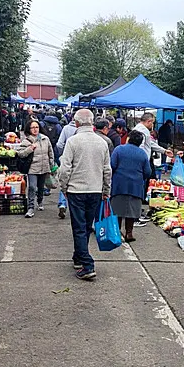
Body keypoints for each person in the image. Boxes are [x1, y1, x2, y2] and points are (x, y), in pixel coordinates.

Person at [57, 109, 112, 281]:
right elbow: (107, 170)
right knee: (87, 226)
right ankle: (78, 257)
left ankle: (87, 264)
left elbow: (65, 169)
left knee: (79, 227)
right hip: (95, 190)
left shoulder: (73, 141)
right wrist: (106, 191)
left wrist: (63, 187)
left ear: (77, 123)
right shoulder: (102, 142)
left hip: (76, 190)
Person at [110, 130, 152, 242]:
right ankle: (129, 233)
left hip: (119, 185)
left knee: (117, 209)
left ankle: (117, 232)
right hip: (135, 186)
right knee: (132, 210)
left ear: (128, 138)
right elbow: (147, 171)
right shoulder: (142, 153)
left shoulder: (119, 149)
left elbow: (112, 165)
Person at [16, 120, 54, 218]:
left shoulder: (45, 139)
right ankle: (31, 207)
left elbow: (50, 153)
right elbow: (20, 153)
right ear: (29, 129)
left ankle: (40, 202)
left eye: (36, 127)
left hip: (44, 167)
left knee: (41, 187)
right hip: (32, 168)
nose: (35, 129)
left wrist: (51, 165)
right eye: (32, 127)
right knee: (32, 187)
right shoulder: (26, 141)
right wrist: (30, 148)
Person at [55, 117, 79, 220]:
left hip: (67, 157)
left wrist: (63, 155)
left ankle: (62, 204)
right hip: (80, 161)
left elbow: (59, 144)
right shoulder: (89, 131)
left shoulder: (66, 128)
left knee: (64, 179)